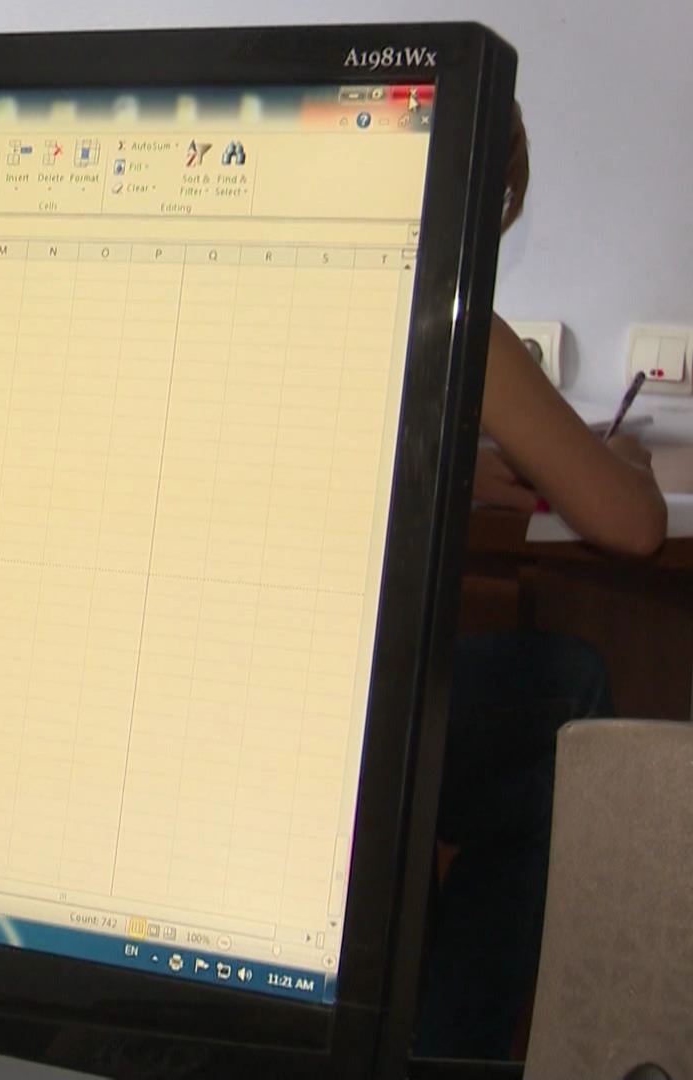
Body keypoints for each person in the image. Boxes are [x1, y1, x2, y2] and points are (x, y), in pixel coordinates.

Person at [414, 106, 666, 1060]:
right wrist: (628, 461)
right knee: (567, 693)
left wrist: (462, 472)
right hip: (363, 729)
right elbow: (631, 525)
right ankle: (456, 1047)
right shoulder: (453, 317)